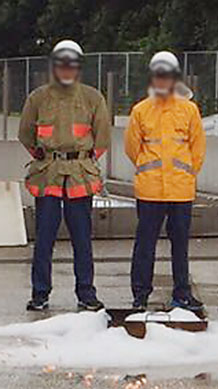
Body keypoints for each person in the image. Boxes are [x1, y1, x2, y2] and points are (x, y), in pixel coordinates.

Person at [18, 40, 111, 312]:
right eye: (62, 63)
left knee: (82, 239)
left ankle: (86, 292)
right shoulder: (38, 98)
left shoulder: (93, 98)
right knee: (44, 239)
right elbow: (26, 134)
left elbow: (102, 138)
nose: (66, 69)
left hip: (80, 177)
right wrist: (44, 158)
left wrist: (83, 161)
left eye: (72, 64)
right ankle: (40, 293)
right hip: (48, 175)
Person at [125, 51, 207, 313]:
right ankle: (140, 295)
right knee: (145, 244)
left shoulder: (189, 110)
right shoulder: (141, 110)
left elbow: (198, 148)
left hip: (180, 190)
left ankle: (182, 293)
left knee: (180, 244)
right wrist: (149, 171)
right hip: (150, 190)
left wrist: (185, 174)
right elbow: (132, 148)